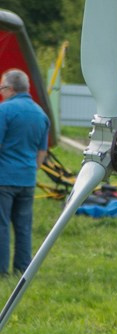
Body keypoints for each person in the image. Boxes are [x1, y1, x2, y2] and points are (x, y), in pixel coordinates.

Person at [0, 70, 49, 274]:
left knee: (1, 226)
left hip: (4, 179)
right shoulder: (41, 114)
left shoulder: (4, 110)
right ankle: (22, 269)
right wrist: (30, 170)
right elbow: (42, 152)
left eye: (1, 88)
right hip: (28, 179)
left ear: (10, 89)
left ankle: (1, 271)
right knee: (23, 227)